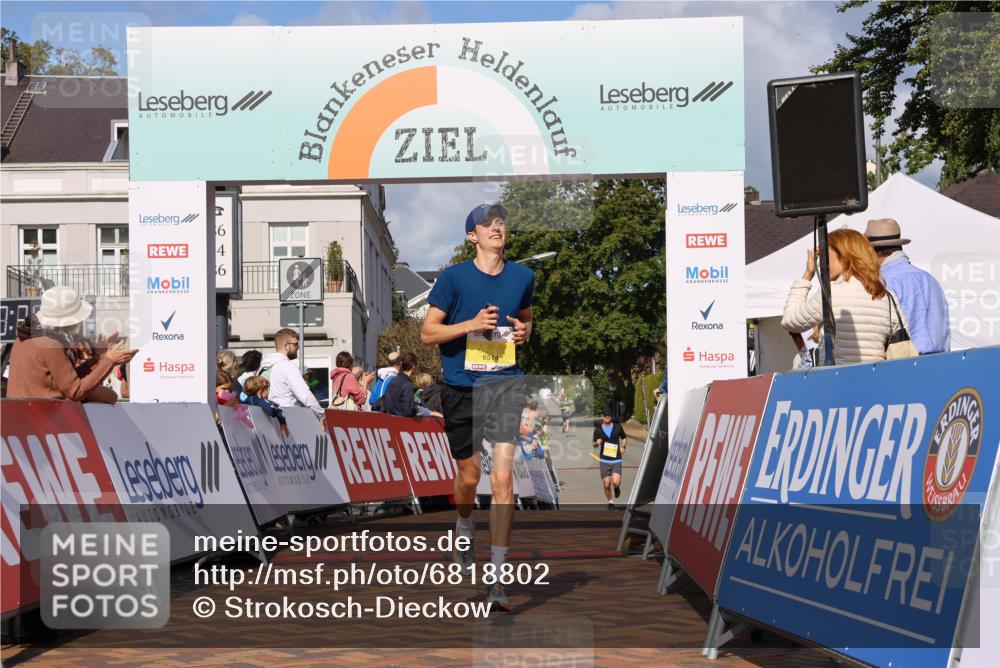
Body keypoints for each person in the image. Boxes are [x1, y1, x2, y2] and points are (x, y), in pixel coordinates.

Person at [421, 201, 534, 611]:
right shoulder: (453, 279)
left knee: (503, 480)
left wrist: (523, 332)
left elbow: (527, 318)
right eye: (487, 224)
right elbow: (427, 334)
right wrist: (470, 325)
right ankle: (464, 524)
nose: (496, 228)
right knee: (469, 478)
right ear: (473, 236)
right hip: (461, 387)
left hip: (504, 383)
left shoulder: (524, 276)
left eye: (501, 222)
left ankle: (498, 577)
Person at [781, 228, 905, 365]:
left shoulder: (831, 293)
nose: (821, 262)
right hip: (877, 378)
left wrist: (807, 275)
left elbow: (790, 321)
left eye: (825, 254)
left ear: (844, 254)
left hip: (839, 379)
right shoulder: (886, 295)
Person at [6, 286, 136, 402]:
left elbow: (67, 378)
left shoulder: (25, 338)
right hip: (43, 419)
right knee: (110, 396)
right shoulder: (51, 345)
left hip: (23, 419)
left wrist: (99, 358)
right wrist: (109, 361)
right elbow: (76, 391)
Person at [864, 218, 950, 354]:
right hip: (939, 363)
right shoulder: (930, 280)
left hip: (903, 365)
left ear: (871, 252)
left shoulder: (883, 283)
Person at [259, 328, 325, 420]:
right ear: (286, 346)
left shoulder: (263, 368)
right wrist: (321, 415)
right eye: (296, 344)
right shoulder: (287, 366)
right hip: (289, 419)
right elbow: (305, 395)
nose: (298, 347)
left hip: (270, 419)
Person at [384, 352, 443, 418]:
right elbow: (408, 411)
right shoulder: (407, 384)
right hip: (401, 423)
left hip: (390, 422)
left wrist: (428, 412)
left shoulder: (393, 380)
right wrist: (428, 413)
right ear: (413, 366)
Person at [593, 407, 627, 510]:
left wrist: (623, 446)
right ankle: (611, 502)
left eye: (609, 415)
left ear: (611, 416)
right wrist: (597, 443)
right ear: (602, 416)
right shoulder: (598, 429)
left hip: (616, 459)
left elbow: (624, 437)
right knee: (607, 484)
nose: (607, 417)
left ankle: (616, 488)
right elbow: (594, 444)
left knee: (616, 482)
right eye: (605, 415)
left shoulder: (617, 427)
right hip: (604, 460)